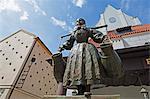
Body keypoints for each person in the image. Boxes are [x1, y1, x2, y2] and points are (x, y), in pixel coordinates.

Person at [58, 18, 107, 95]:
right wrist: (62, 47)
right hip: (76, 52)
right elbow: (69, 42)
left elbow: (96, 35)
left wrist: (103, 38)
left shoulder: (87, 30)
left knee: (88, 69)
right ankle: (79, 91)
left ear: (83, 23)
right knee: (76, 69)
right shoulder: (74, 32)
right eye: (77, 22)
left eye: (80, 22)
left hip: (87, 50)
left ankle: (87, 89)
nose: (78, 23)